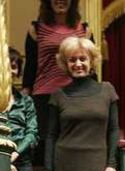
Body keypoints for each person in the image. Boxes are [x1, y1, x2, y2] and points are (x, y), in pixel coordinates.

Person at [43, 37, 119, 171]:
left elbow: (113, 130)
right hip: (66, 165)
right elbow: (51, 135)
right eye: (72, 60)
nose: (77, 64)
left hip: (96, 166)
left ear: (92, 61)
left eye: (82, 59)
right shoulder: (58, 95)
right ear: (65, 64)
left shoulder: (107, 90)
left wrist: (111, 164)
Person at [22, 0, 92, 162]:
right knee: (44, 150)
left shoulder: (84, 29)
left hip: (76, 97)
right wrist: (24, 98)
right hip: (43, 98)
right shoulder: (36, 29)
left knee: (73, 148)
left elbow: (91, 68)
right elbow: (30, 66)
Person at [6, 47, 39, 171]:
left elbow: (32, 133)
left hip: (22, 163)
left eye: (15, 66)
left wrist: (14, 154)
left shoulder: (26, 101)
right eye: (7, 65)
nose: (11, 70)